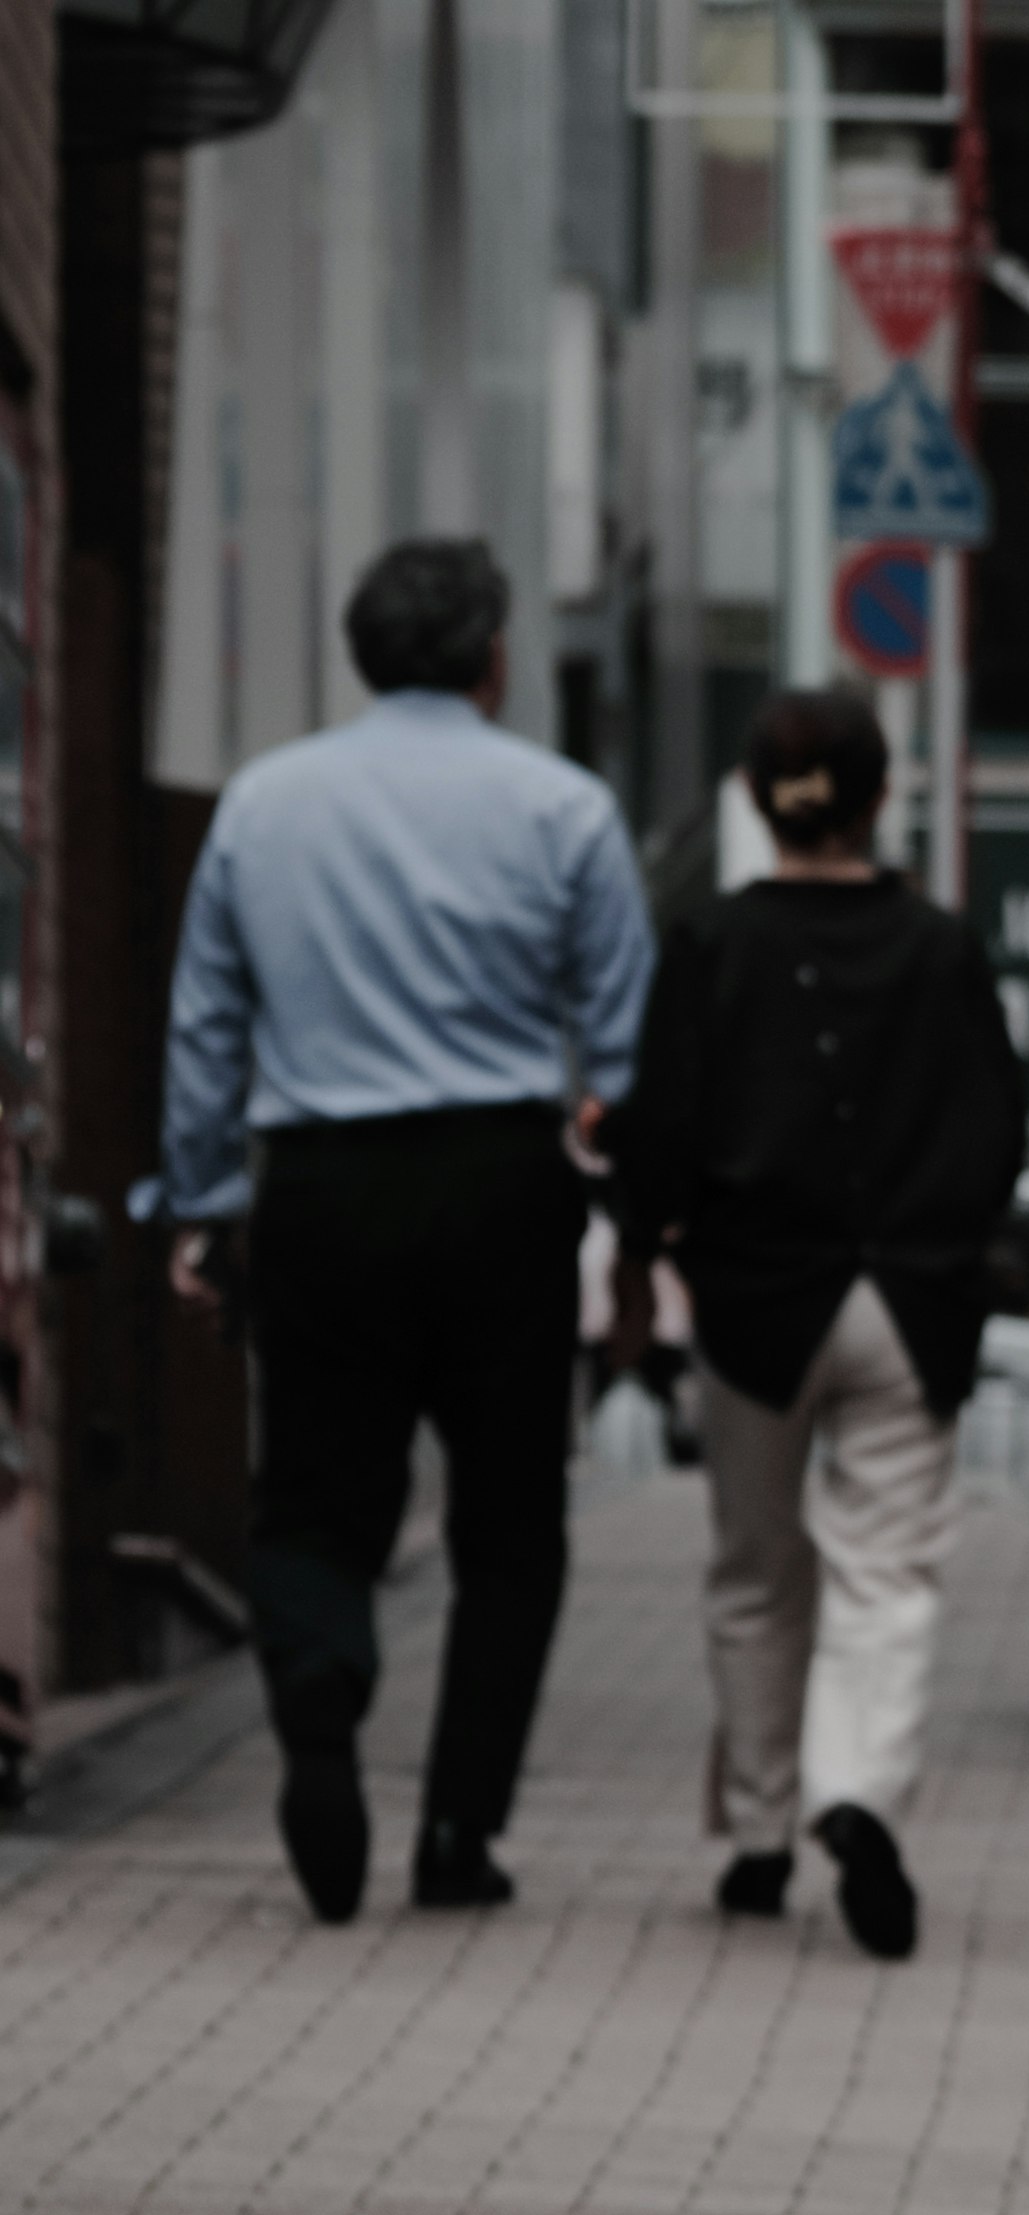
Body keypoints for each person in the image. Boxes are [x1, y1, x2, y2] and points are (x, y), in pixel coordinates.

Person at [159, 538, 657, 1922]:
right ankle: (456, 1830)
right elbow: (623, 1047)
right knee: (511, 1524)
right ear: (495, 659)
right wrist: (612, 1193)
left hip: (320, 1180)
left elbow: (206, 1027)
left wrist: (201, 1205)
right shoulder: (564, 811)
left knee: (315, 1494)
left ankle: (320, 1703)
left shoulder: (264, 806)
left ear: (360, 655)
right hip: (503, 1179)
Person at [604, 690, 1027, 1961]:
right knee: (884, 1571)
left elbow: (660, 1131)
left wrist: (636, 1260)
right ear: (879, 797)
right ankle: (858, 1796)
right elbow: (998, 1132)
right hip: (907, 1298)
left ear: (749, 798)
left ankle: (757, 1836)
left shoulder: (713, 945)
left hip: (751, 1301)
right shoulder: (943, 950)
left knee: (755, 1569)